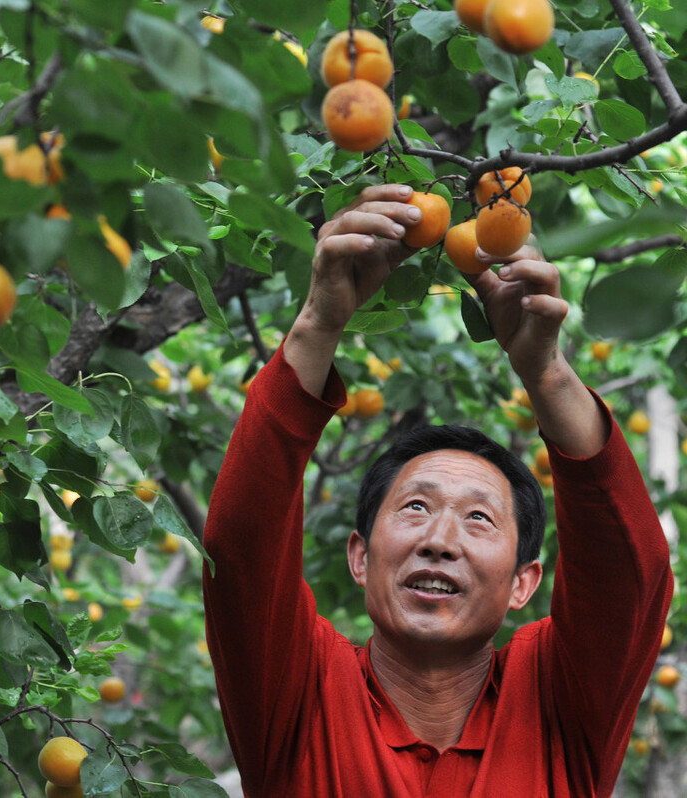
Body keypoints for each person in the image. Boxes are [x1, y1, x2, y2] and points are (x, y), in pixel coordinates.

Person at [202, 184, 672, 797]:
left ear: (523, 583)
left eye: (479, 518)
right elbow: (240, 549)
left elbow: (628, 574)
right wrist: (319, 322)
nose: (439, 541)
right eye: (416, 506)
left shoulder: (557, 705)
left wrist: (547, 372)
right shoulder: (301, 696)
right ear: (360, 556)